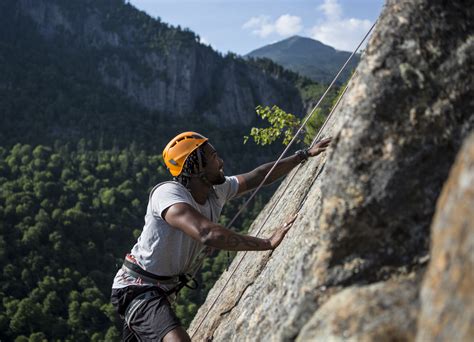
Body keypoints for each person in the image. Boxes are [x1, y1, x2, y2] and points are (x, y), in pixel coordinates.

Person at [111, 131, 331, 341]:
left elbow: (258, 176)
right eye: (214, 157)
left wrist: (302, 155)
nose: (221, 161)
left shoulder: (216, 191)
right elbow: (206, 233)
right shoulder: (168, 194)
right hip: (137, 288)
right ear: (196, 166)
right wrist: (266, 243)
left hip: (160, 290)